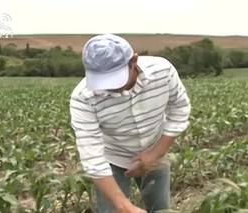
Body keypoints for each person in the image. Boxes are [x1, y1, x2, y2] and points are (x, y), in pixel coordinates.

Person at [70, 34, 191, 213]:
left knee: (161, 208)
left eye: (114, 79)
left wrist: (156, 153)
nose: (109, 88)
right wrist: (123, 206)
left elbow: (180, 109)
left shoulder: (163, 71)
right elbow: (92, 158)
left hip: (155, 147)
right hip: (112, 157)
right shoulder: (84, 97)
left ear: (133, 60)